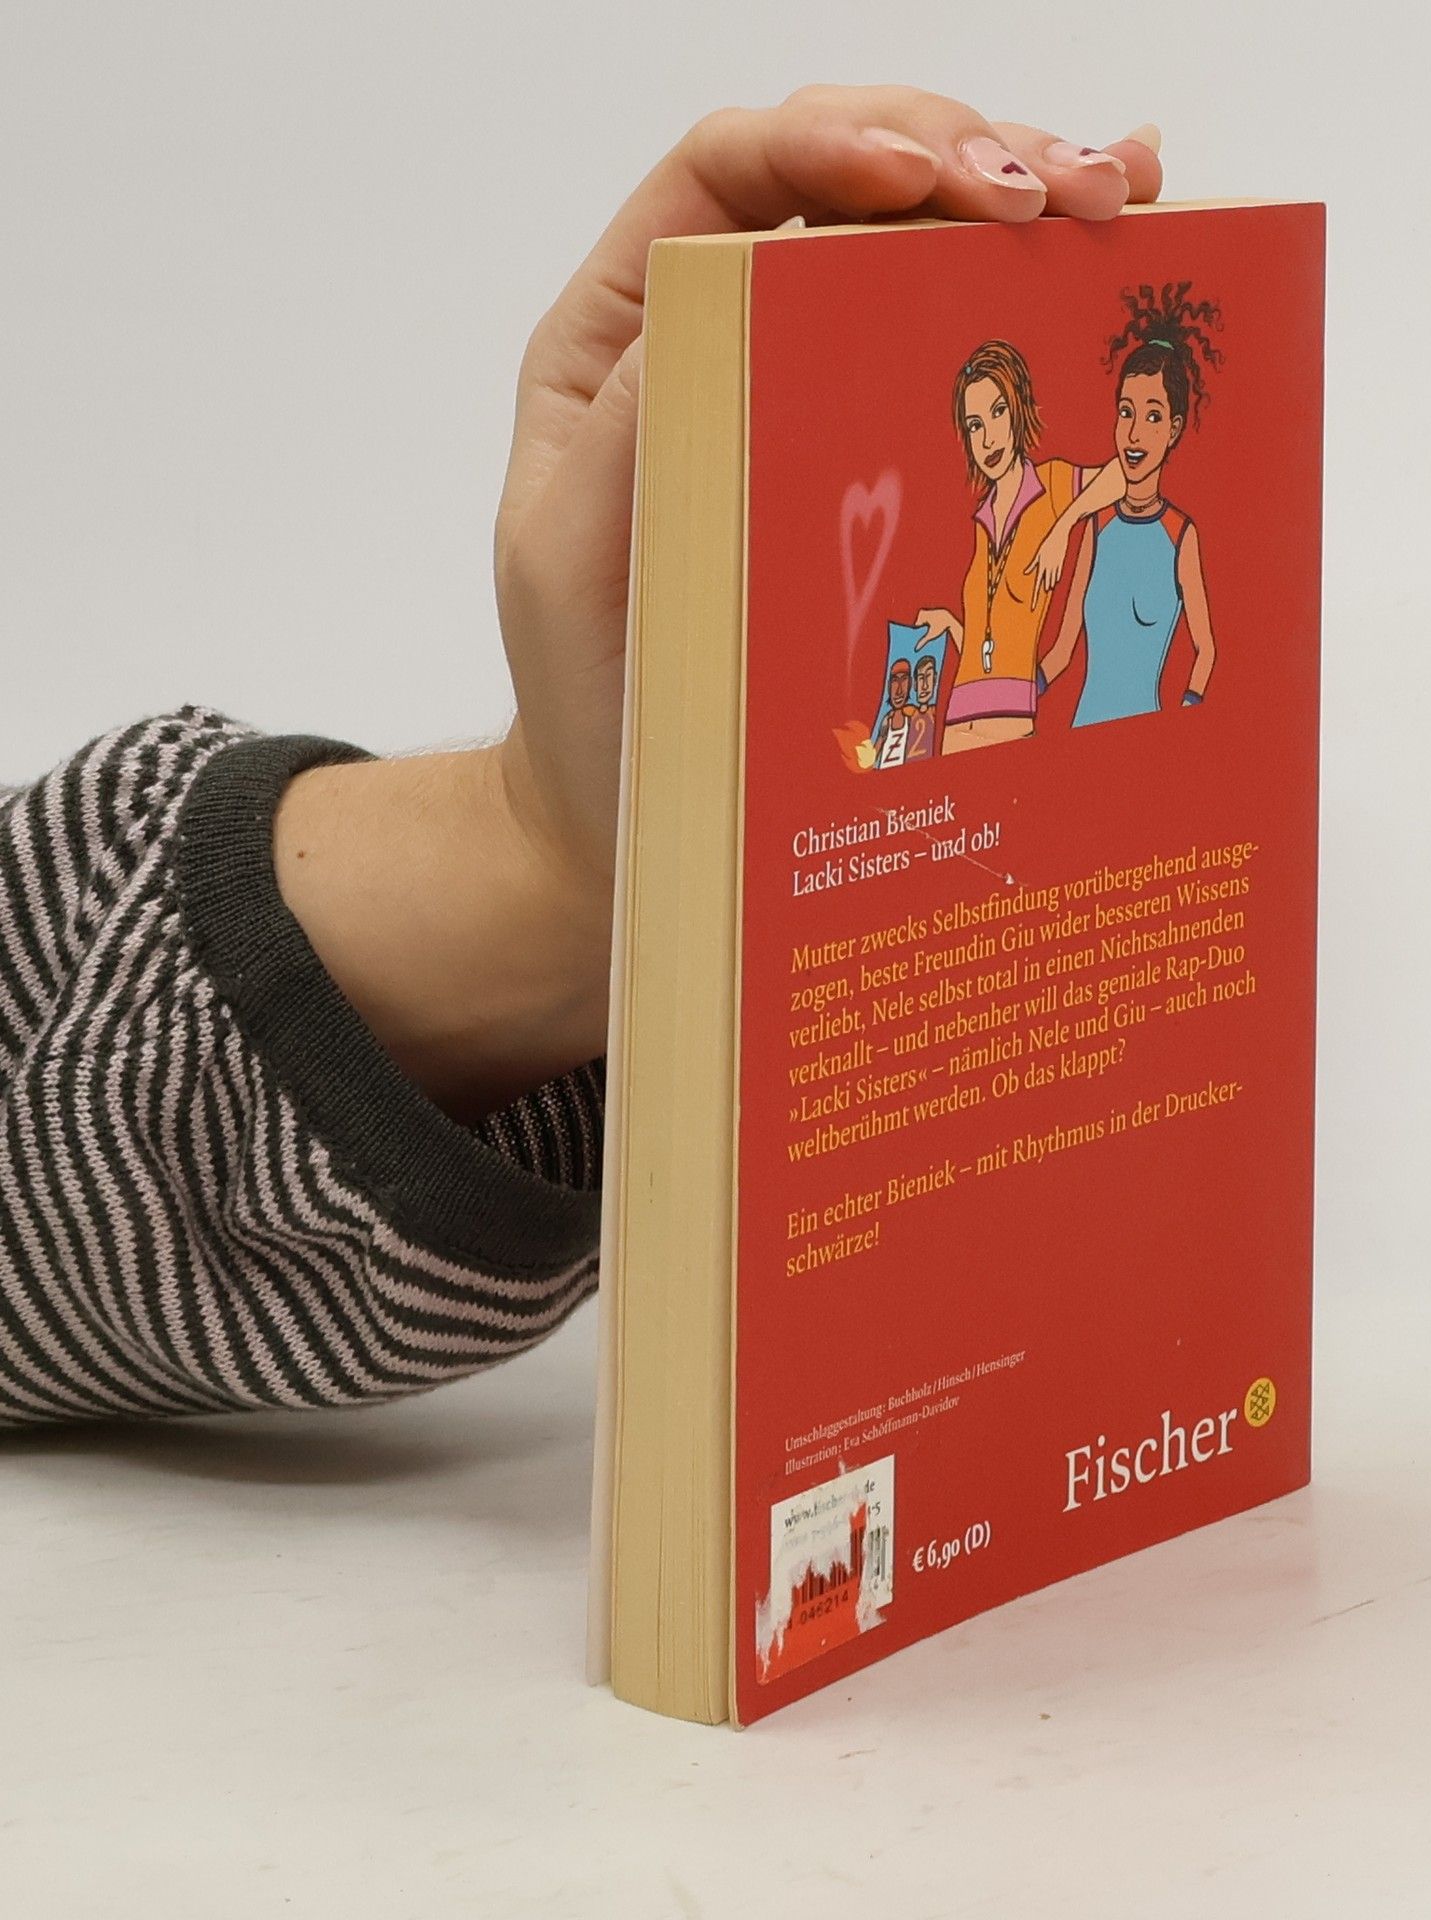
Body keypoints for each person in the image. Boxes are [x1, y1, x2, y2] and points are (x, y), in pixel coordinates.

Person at [0, 88, 1164, 1428]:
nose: (984, 442)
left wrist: (564, 866)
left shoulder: (1064, 501)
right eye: (974, 425)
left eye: (991, 420)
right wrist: (566, 864)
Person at [911, 341, 1128, 754]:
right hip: (955, 727)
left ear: (1018, 410)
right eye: (975, 425)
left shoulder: (1052, 484)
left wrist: (1063, 526)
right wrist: (952, 625)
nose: (988, 438)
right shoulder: (982, 522)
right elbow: (989, 648)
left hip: (1010, 726)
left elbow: (1121, 474)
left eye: (998, 412)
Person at [1037, 284, 1220, 726]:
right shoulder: (1095, 529)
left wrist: (1188, 710)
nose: (1135, 433)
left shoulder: (1180, 536)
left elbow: (1206, 650)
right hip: (1082, 728)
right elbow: (1061, 653)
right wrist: (1011, 702)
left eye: (1153, 415)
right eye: (1126, 412)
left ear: (1174, 429)